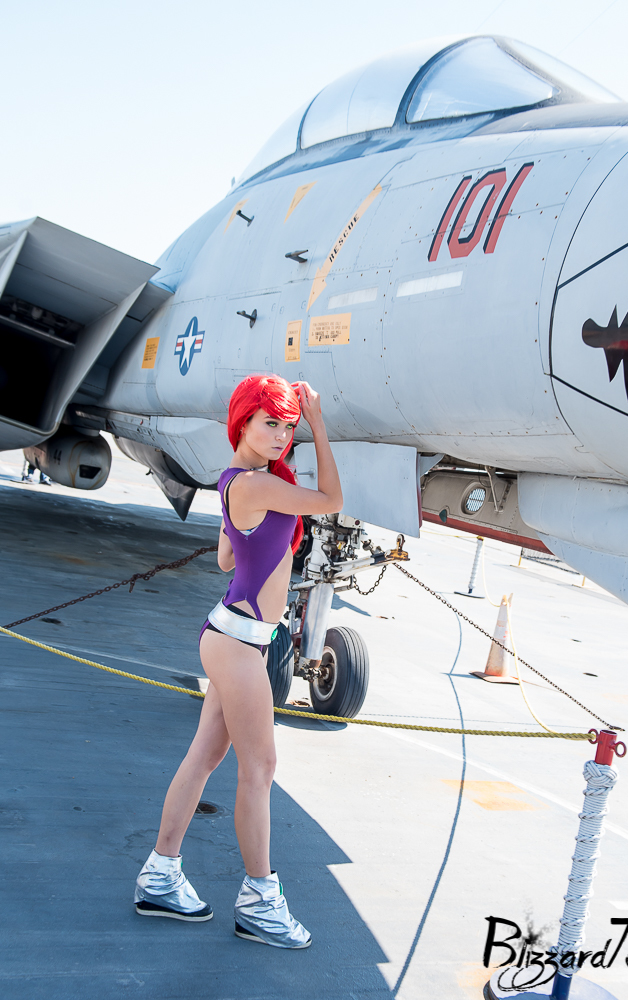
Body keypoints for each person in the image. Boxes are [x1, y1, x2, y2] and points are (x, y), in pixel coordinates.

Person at [134, 374, 342, 949]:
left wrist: (257, 527)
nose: (280, 436)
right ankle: (259, 900)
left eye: (288, 427)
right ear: (242, 422)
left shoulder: (241, 482)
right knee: (260, 769)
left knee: (205, 757)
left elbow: (228, 556)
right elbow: (332, 501)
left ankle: (160, 875)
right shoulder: (251, 485)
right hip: (238, 642)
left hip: (235, 635)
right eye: (269, 423)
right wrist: (319, 427)